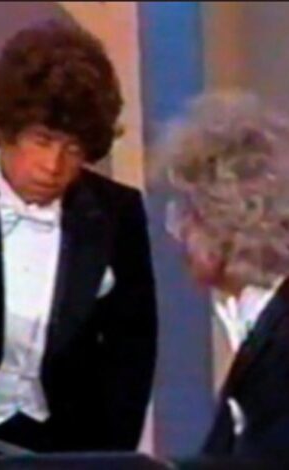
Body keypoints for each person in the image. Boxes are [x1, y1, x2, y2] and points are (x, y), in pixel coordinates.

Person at [0, 21, 157, 455]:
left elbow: (133, 352)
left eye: (73, 149)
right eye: (42, 140)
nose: (53, 166)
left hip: (64, 446)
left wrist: (109, 461)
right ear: (7, 128)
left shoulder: (117, 212)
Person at [158, 91, 289, 464]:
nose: (177, 235)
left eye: (184, 215)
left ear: (223, 219)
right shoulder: (258, 317)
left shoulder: (282, 336)